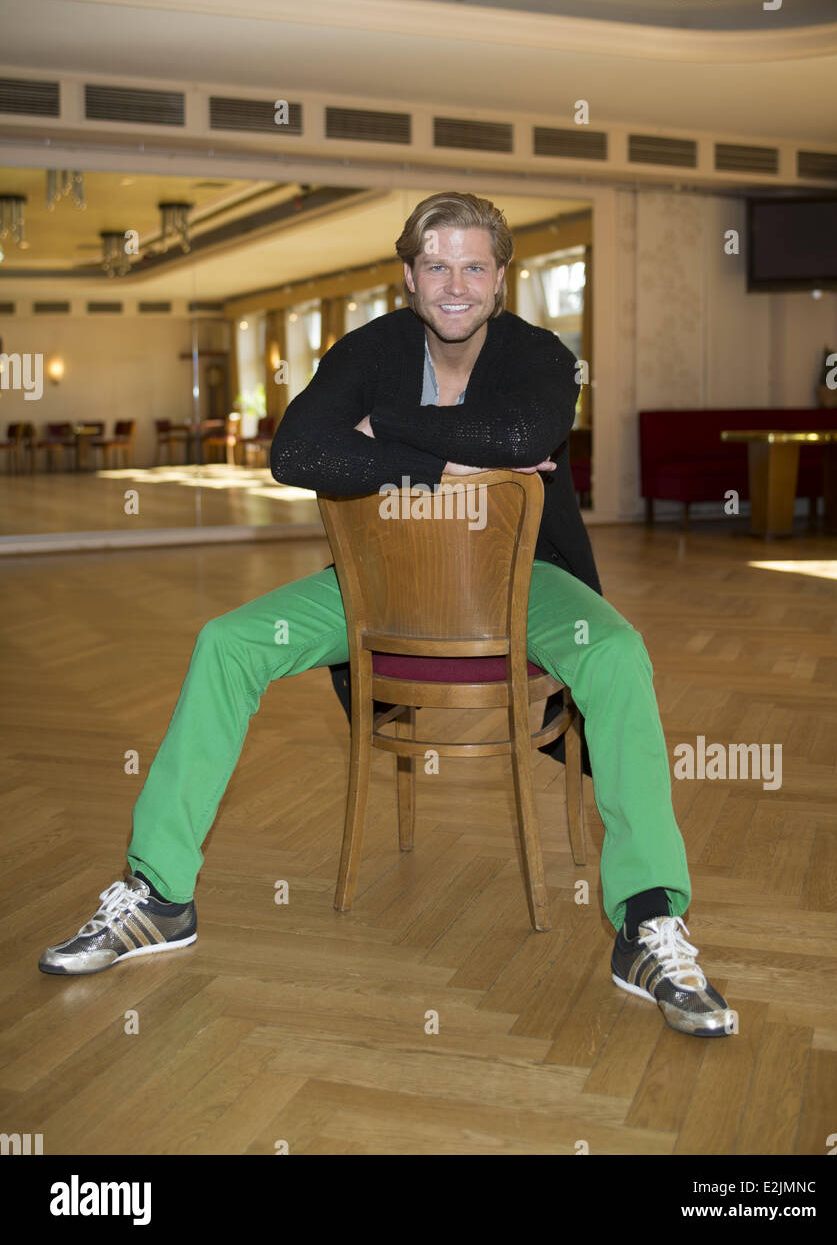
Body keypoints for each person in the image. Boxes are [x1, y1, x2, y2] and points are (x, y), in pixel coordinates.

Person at [39, 191, 734, 1039]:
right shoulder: (368, 349)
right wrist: (449, 458)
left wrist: (387, 432)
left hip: (522, 579)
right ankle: (157, 895)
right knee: (225, 643)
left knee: (618, 654)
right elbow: (296, 451)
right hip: (379, 580)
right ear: (409, 276)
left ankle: (647, 923)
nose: (454, 284)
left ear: (501, 279)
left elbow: (524, 433)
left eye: (474, 265)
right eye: (436, 265)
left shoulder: (541, 353)